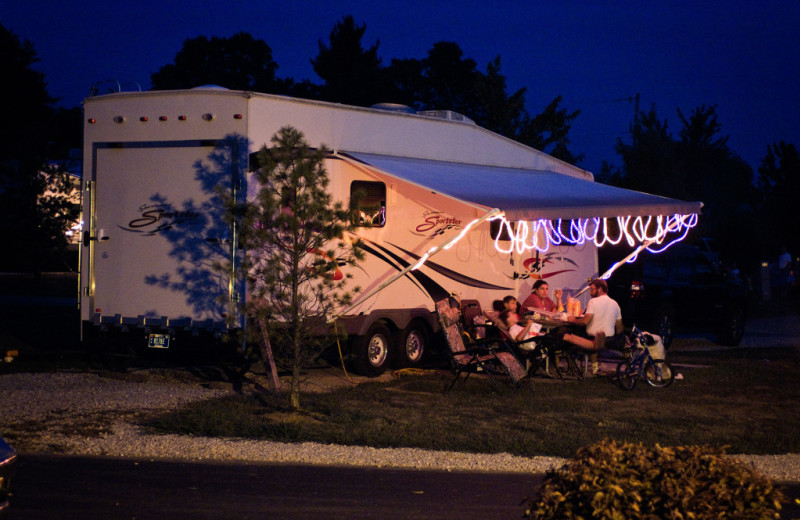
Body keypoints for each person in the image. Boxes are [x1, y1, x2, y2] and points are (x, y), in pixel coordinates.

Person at [562, 279, 623, 374]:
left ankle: (572, 369)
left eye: (592, 289)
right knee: (593, 335)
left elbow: (585, 322)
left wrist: (572, 319)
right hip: (609, 341)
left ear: (599, 289)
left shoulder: (593, 301)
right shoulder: (615, 304)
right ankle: (594, 367)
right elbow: (619, 328)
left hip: (594, 340)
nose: (590, 292)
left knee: (566, 337)